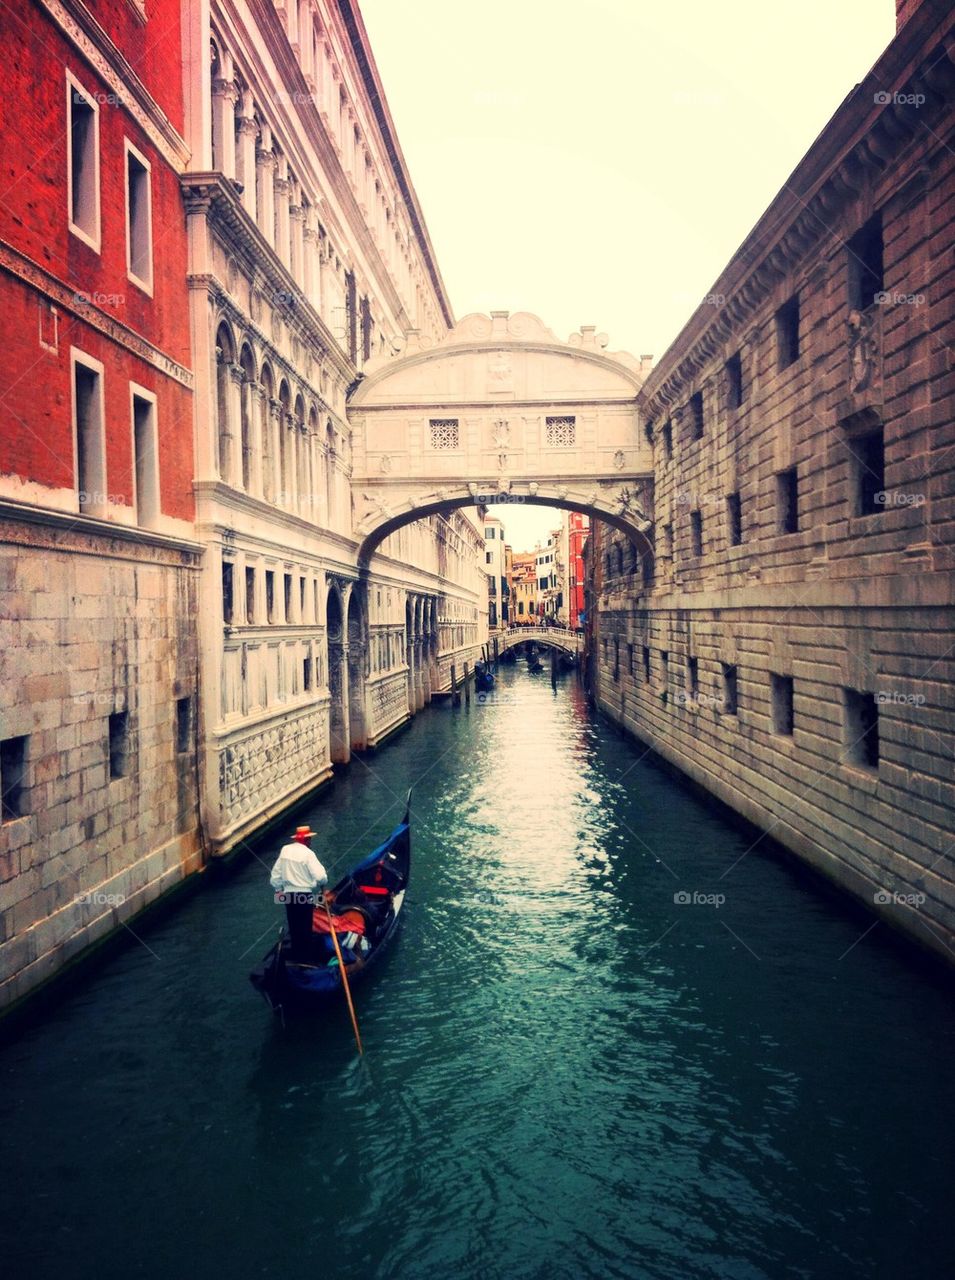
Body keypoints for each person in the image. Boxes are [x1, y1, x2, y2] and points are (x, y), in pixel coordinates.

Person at [269, 825, 328, 959]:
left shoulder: (285, 850)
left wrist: (278, 890)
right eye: (310, 840)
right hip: (304, 896)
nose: (310, 842)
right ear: (307, 840)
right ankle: (306, 958)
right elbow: (320, 877)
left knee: (294, 927)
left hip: (288, 897)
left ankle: (297, 955)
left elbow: (275, 877)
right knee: (305, 928)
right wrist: (323, 884)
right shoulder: (308, 853)